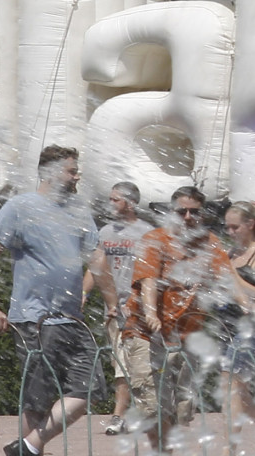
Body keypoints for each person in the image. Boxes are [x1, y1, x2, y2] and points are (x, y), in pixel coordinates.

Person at [0, 145, 117, 456]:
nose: (76, 176)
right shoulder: (20, 207)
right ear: (51, 172)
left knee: (90, 389)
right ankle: (31, 449)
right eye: (71, 170)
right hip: (33, 319)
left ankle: (29, 447)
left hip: (71, 319)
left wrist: (112, 303)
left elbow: (98, 259)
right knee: (37, 399)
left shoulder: (79, 211)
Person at [129, 185, 233, 450]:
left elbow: (229, 278)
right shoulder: (155, 239)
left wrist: (249, 302)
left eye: (194, 212)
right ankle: (160, 451)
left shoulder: (210, 244)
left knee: (178, 407)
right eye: (182, 211)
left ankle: (166, 450)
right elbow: (148, 281)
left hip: (187, 336)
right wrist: (152, 313)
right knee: (153, 406)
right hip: (147, 333)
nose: (188, 217)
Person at [88, 181, 154, 435]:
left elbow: (151, 275)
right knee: (120, 364)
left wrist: (137, 303)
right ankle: (123, 415)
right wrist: (82, 294)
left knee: (139, 365)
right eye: (111, 199)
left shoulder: (146, 233)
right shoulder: (105, 232)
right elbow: (96, 268)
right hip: (114, 311)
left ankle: (130, 415)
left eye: (116, 200)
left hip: (136, 311)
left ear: (130, 203)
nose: (111, 204)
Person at [217, 201, 255, 445]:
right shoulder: (231, 253)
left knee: (229, 384)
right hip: (228, 326)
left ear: (250, 224)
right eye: (227, 228)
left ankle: (228, 448)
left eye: (235, 228)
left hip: (252, 327)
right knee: (240, 397)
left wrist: (234, 278)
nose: (230, 232)